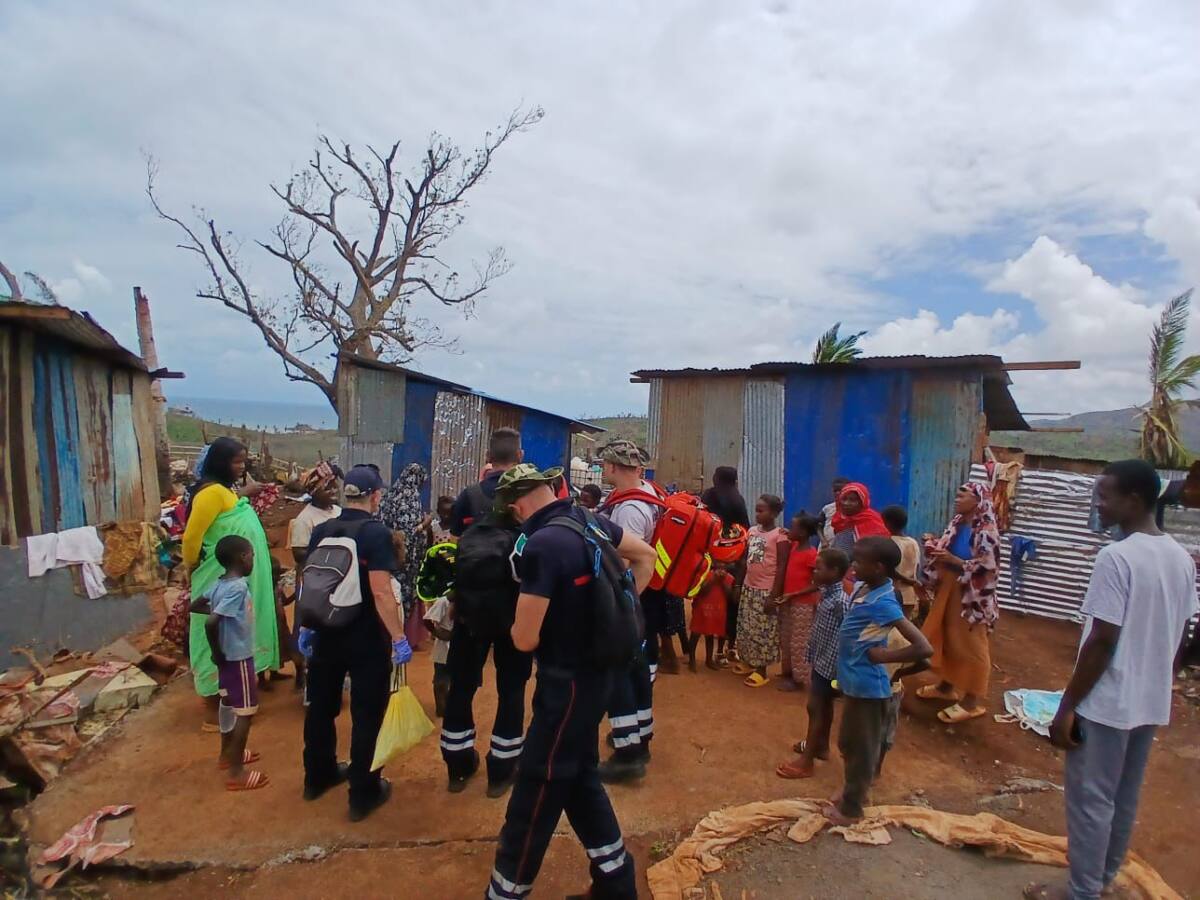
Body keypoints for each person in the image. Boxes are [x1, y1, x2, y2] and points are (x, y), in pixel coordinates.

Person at [1025, 461, 1199, 900]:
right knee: (1123, 797)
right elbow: (1181, 631)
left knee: (1090, 803)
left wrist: (1066, 707)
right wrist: (1164, 680)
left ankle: (1083, 893)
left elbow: (1102, 639)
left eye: (1104, 496)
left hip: (1107, 704)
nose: (1097, 505)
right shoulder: (1180, 557)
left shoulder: (1116, 557)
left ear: (1134, 501)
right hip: (1149, 701)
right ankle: (1101, 881)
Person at [487, 464, 656, 900]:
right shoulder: (589, 519)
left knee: (538, 783)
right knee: (578, 775)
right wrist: (616, 613)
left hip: (566, 684)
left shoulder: (543, 545)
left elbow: (524, 640)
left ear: (517, 505)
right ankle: (615, 881)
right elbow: (647, 557)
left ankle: (506, 891)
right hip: (600, 675)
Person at [299, 464, 412, 822]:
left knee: (321, 706)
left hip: (325, 630)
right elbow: (381, 590)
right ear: (375, 496)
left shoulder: (322, 530)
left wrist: (305, 626)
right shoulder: (375, 534)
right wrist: (398, 637)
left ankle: (317, 776)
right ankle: (363, 793)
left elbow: (311, 580)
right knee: (366, 713)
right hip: (364, 637)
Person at [439, 428, 532, 796]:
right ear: (520, 456)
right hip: (516, 611)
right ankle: (502, 769)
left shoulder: (469, 496)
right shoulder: (528, 495)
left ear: (489, 458)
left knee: (462, 686)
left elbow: (455, 547)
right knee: (512, 688)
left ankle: (458, 767)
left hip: (470, 611)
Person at [824, 537, 932, 825]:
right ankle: (851, 789)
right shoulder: (866, 588)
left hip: (869, 689)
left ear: (879, 567)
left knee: (862, 750)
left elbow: (924, 649)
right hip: (854, 683)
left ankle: (852, 809)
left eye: (859, 562)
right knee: (848, 743)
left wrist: (884, 657)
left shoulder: (884, 602)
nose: (854, 566)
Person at [182, 437, 279, 720]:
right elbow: (191, 537)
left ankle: (233, 696)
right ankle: (216, 710)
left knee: (237, 628)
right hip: (216, 573)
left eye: (243, 461)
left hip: (236, 575)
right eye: (236, 461)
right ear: (220, 462)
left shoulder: (224, 491)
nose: (241, 467)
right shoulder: (210, 493)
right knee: (219, 632)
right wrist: (190, 566)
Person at [596, 440, 665, 782]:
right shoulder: (647, 491)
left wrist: (616, 605)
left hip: (627, 597)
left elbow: (630, 558)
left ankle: (628, 754)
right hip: (639, 600)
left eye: (604, 465)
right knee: (638, 669)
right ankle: (642, 734)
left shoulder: (628, 511)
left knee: (619, 674)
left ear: (611, 467)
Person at [917, 482, 1002, 723]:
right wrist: (934, 545)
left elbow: (989, 567)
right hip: (951, 587)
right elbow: (949, 550)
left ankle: (971, 702)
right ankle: (946, 687)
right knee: (949, 636)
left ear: (978, 500)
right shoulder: (958, 523)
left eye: (962, 495)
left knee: (972, 644)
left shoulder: (986, 531)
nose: (957, 498)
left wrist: (954, 561)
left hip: (972, 596)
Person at [189, 535, 268, 791]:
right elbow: (212, 622)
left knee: (227, 703)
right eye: (252, 555)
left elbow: (197, 605)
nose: (253, 560)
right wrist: (218, 652)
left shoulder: (220, 585)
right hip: (237, 657)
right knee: (246, 712)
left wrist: (218, 648)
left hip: (226, 658)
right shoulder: (238, 588)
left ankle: (227, 754)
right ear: (243, 557)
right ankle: (236, 773)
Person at [776, 549, 851, 780]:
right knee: (822, 706)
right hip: (821, 659)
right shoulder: (827, 592)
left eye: (819, 568)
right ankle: (821, 747)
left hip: (830, 664)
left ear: (835, 572)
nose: (815, 571)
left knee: (816, 707)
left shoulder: (840, 601)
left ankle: (806, 762)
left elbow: (847, 634)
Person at [733, 495, 789, 688]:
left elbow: (781, 566)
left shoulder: (780, 536)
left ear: (773, 513)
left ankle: (761, 670)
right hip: (750, 587)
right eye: (756, 510)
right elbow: (747, 560)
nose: (757, 514)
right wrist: (738, 585)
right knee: (748, 626)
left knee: (764, 631)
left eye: (761, 510)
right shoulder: (752, 532)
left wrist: (774, 595)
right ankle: (748, 662)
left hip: (766, 590)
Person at [700, 466, 751, 659]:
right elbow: (745, 530)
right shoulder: (738, 500)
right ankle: (730, 645)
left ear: (716, 478)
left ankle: (708, 637)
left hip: (712, 556)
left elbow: (702, 523)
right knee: (732, 603)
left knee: (710, 596)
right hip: (734, 558)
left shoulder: (709, 496)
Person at [380, 462, 432, 649]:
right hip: (407, 557)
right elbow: (410, 531)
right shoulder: (411, 497)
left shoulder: (389, 496)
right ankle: (403, 636)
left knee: (390, 591)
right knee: (406, 594)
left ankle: (388, 632)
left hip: (387, 554)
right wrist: (425, 523)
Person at [777, 514, 821, 692]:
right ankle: (788, 672)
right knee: (786, 637)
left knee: (799, 642)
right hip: (789, 601)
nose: (789, 529)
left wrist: (793, 593)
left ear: (802, 533)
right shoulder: (794, 546)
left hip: (803, 603)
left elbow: (816, 584)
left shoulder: (811, 555)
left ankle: (799, 679)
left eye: (793, 527)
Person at [289, 464, 344, 568]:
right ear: (314, 492)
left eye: (335, 487)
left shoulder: (339, 511)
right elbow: (298, 554)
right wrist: (328, 554)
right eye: (327, 488)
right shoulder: (304, 519)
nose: (334, 491)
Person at [688, 562, 734, 671]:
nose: (721, 571)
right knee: (695, 634)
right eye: (719, 568)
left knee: (710, 635)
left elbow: (729, 596)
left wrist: (721, 582)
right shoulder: (705, 575)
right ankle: (692, 660)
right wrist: (713, 580)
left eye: (724, 569)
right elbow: (701, 592)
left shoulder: (728, 579)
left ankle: (709, 660)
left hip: (715, 611)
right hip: (701, 610)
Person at [881, 505, 923, 621]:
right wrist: (911, 580)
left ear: (887, 523)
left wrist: (906, 579)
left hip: (893, 592)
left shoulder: (889, 542)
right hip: (910, 594)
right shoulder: (913, 542)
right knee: (906, 626)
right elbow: (917, 565)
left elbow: (889, 570)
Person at [422, 595, 454, 718]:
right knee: (441, 678)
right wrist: (438, 633)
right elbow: (427, 619)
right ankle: (441, 708)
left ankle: (451, 705)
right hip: (444, 644)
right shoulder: (443, 601)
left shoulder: (468, 597)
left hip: (460, 643)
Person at [819, 476, 851, 548]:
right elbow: (818, 525)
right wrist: (823, 540)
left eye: (840, 490)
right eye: (835, 491)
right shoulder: (828, 508)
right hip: (826, 546)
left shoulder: (851, 509)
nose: (837, 493)